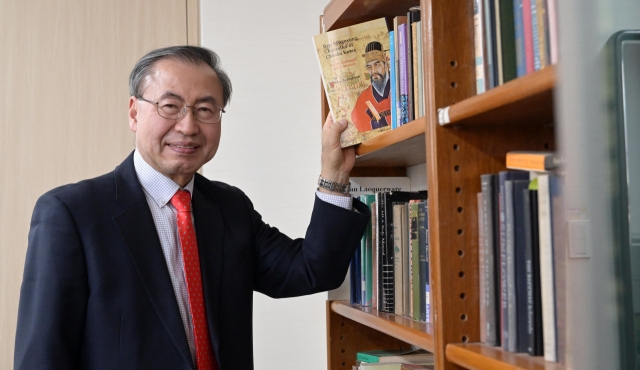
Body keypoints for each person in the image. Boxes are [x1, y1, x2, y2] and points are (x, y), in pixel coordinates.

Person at [14, 46, 369, 370]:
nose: (188, 126)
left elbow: (310, 269)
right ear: (134, 112)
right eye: (170, 106)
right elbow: (43, 358)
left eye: (204, 110)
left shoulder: (230, 208)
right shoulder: (70, 214)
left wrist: (333, 174)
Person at [350, 41, 392, 132]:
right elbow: (359, 121)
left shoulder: (399, 85)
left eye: (377, 65)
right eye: (369, 67)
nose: (373, 71)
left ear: (385, 64)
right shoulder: (363, 98)